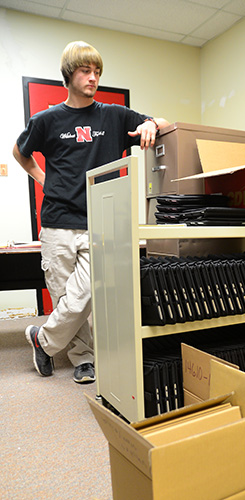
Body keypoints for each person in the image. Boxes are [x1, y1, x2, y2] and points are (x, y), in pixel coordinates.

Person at [13, 40, 169, 384]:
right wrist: (43, 179)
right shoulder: (46, 120)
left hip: (99, 221)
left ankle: (42, 339)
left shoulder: (114, 116)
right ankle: (83, 359)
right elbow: (19, 152)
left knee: (83, 295)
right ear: (69, 75)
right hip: (57, 223)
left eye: (97, 71)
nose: (93, 77)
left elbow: (162, 121)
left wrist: (150, 125)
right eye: (85, 70)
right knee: (64, 298)